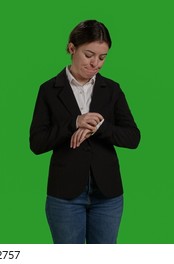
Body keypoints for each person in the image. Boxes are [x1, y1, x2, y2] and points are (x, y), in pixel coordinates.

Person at [29, 20, 140, 244]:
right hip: (65, 196)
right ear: (72, 49)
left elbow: (132, 137)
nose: (96, 63)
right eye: (89, 54)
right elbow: (37, 143)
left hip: (108, 195)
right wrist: (75, 123)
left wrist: (98, 127)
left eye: (102, 57)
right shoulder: (49, 90)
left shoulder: (112, 89)